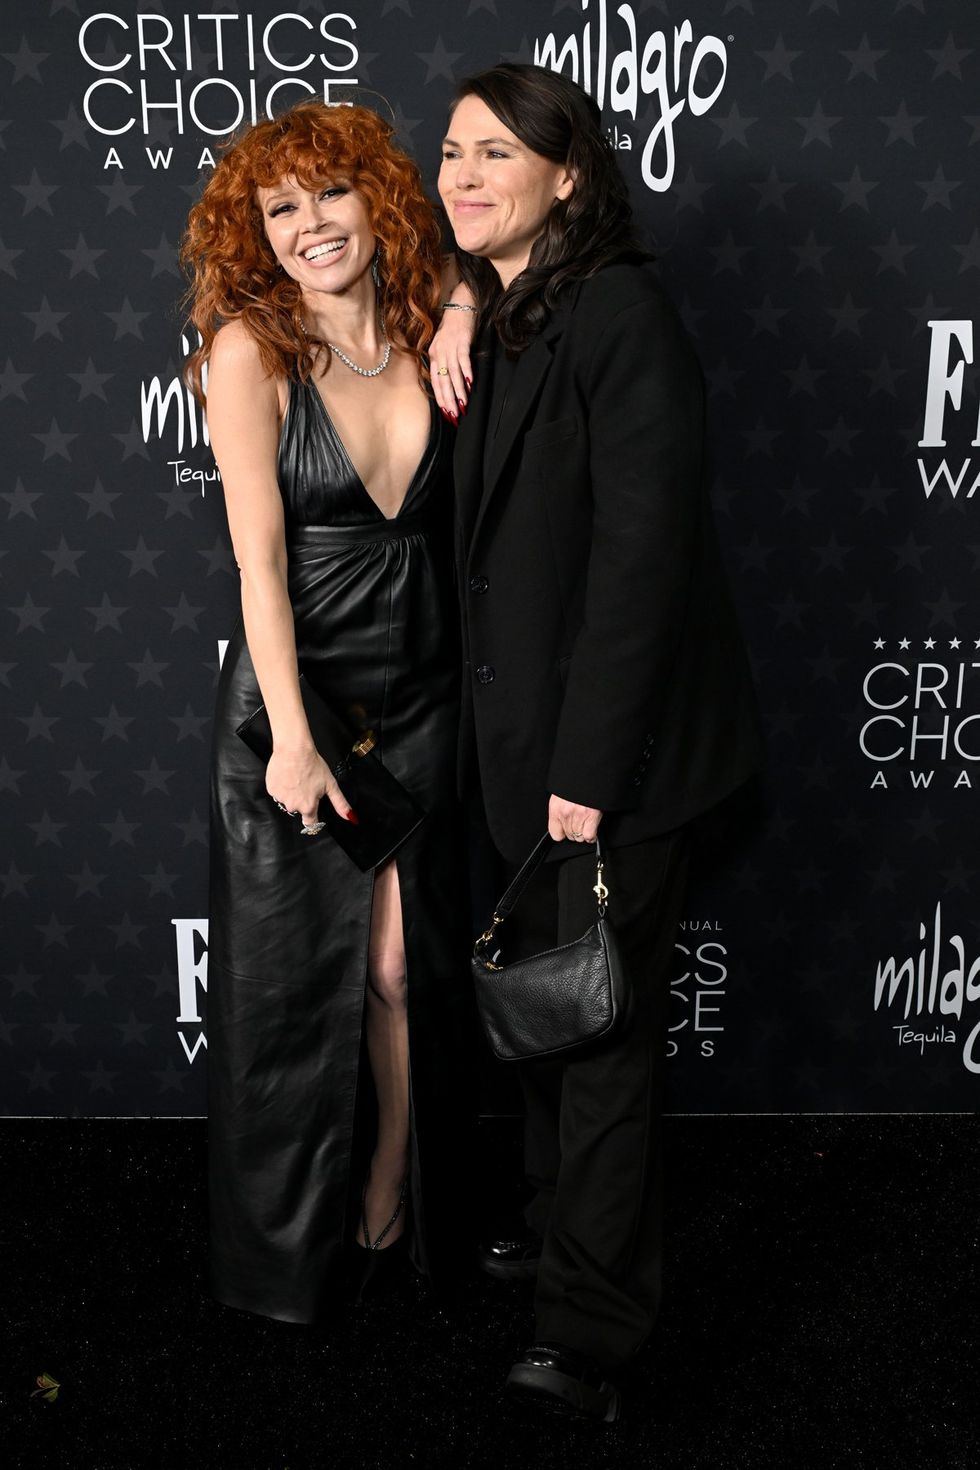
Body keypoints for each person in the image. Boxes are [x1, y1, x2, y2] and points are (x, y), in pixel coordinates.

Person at [436, 64, 763, 1420]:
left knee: (606, 1042)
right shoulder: (513, 309)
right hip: (522, 753)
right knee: (553, 1018)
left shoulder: (625, 317)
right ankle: (556, 1220)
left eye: (494, 153)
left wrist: (587, 775)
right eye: (450, 149)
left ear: (569, 175)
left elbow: (645, 566)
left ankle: (593, 1330)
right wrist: (461, 293)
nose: (459, 173)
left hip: (608, 766)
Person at [180, 100, 474, 1322]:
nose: (310, 227)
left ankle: (392, 1186)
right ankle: (281, 1265)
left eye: (331, 195)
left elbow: (507, 251)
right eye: (280, 208)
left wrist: (460, 298)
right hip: (299, 714)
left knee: (405, 972)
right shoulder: (251, 351)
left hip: (421, 696)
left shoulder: (425, 322)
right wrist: (291, 743)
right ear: (256, 232)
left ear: (378, 199)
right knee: (292, 996)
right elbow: (256, 564)